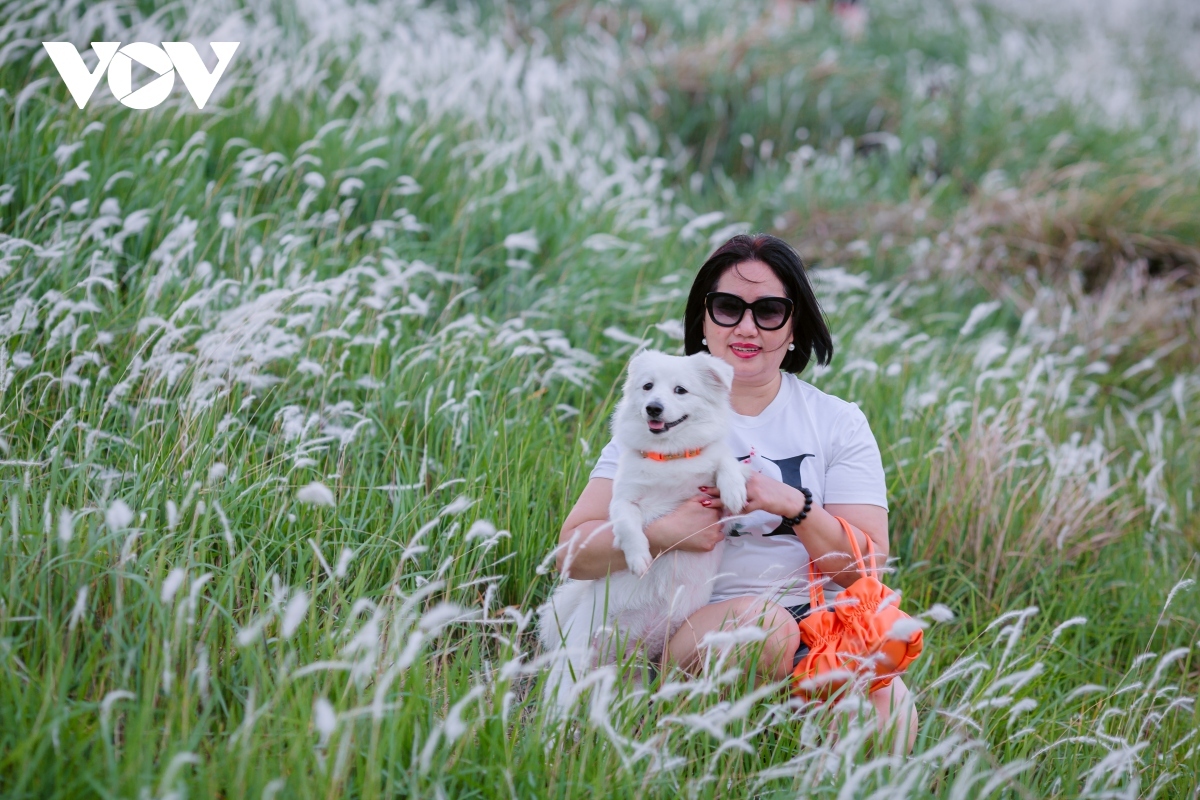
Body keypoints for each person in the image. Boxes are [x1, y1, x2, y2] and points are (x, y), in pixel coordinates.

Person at [555, 233, 917, 750]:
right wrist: (663, 534)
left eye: (769, 310)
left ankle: (787, 750)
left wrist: (791, 504)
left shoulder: (837, 422)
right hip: (690, 626)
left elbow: (868, 567)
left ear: (794, 326)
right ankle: (669, 730)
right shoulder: (655, 418)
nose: (747, 327)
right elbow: (570, 555)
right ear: (703, 320)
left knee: (889, 720)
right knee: (762, 627)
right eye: (728, 308)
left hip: (818, 624)